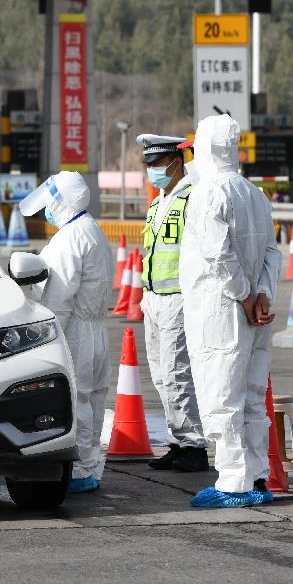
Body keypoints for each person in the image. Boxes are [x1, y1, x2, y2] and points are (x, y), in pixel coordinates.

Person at [178, 115, 280, 509]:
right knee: (252, 397)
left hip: (220, 310)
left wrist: (244, 296)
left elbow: (218, 255)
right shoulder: (255, 194)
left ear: (205, 147)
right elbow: (271, 252)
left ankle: (233, 482)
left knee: (222, 396)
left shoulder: (208, 194)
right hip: (255, 314)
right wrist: (262, 294)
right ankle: (256, 477)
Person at [18, 171, 113, 493]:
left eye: (50, 202)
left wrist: (44, 340)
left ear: (60, 202)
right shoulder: (90, 229)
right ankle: (89, 467)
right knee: (93, 399)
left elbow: (58, 299)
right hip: (95, 330)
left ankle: (81, 471)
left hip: (74, 331)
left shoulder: (71, 237)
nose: (47, 209)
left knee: (78, 400)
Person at [135, 133, 208, 473]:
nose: (152, 170)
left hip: (178, 298)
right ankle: (177, 441)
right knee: (161, 376)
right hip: (153, 299)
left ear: (177, 162)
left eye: (158, 163)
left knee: (178, 375)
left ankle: (194, 445)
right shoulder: (158, 203)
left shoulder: (192, 198)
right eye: (148, 164)